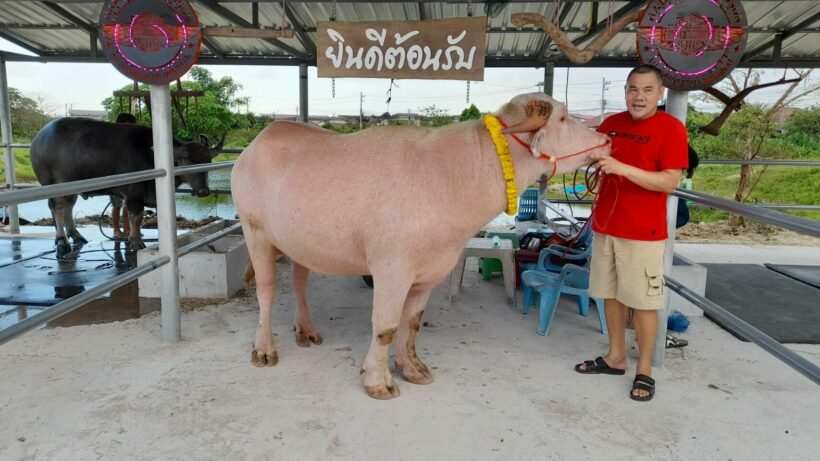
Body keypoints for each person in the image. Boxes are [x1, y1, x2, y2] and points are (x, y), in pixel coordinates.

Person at [574, 64, 689, 402]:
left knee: (643, 303)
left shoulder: (671, 129)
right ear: (625, 91)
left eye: (647, 90)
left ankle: (645, 370)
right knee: (608, 295)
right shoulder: (612, 124)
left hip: (643, 232)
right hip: (607, 226)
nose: (638, 96)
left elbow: (669, 181)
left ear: (660, 93)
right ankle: (615, 357)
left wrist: (623, 168)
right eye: (632, 89)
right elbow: (597, 156)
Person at [111, 113, 137, 239]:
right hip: (115, 176)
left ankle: (128, 229)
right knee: (117, 205)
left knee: (127, 204)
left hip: (128, 175)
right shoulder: (113, 138)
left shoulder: (130, 138)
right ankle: (116, 230)